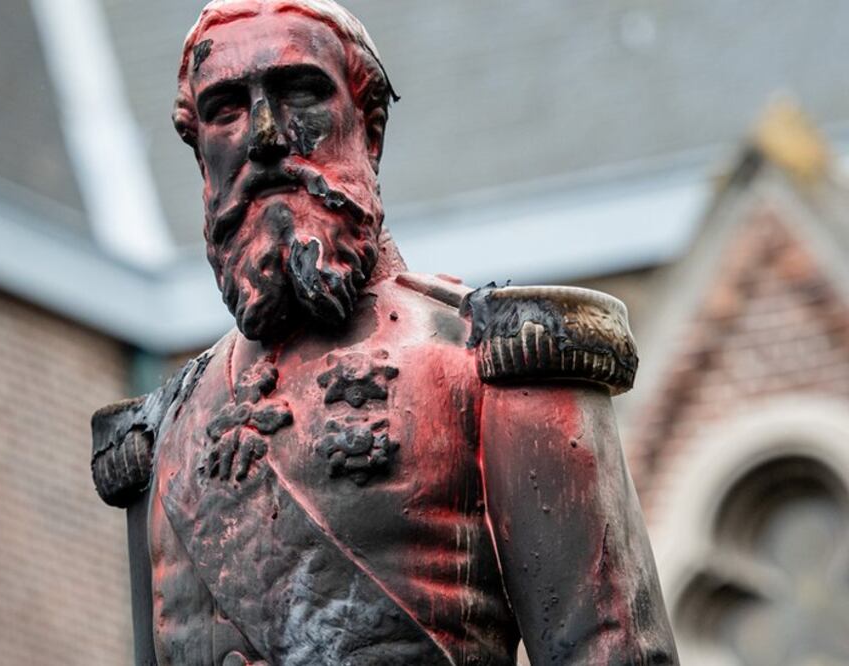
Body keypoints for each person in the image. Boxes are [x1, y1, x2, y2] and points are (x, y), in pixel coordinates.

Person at [92, 1, 679, 663]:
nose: (264, 136)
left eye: (300, 93)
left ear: (369, 131)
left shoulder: (488, 363)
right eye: (226, 109)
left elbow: (606, 647)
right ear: (202, 155)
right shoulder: (160, 433)